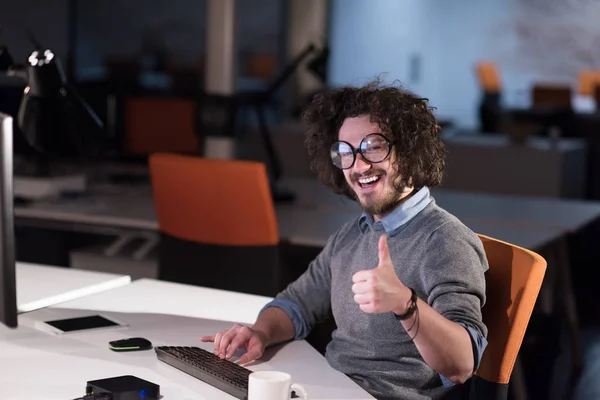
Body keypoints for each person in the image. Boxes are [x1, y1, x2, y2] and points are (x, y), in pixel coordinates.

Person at [201, 81, 488, 400]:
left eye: (374, 147)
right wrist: (260, 332)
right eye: (346, 152)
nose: (359, 165)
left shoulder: (445, 239)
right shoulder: (352, 235)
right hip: (327, 387)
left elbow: (462, 364)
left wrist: (405, 305)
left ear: (409, 151)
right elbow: (297, 303)